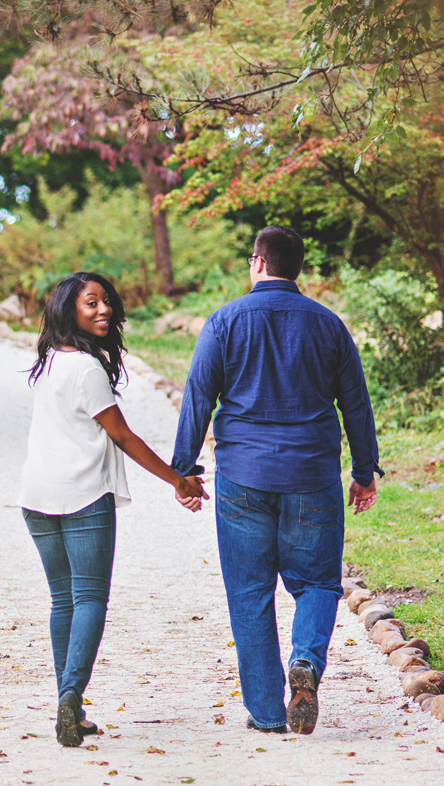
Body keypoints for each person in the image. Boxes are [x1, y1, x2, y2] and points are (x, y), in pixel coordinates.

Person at [170, 227, 381, 736]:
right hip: (312, 476)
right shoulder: (329, 325)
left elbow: (199, 395)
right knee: (317, 584)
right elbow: (355, 401)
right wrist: (363, 471)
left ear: (258, 262)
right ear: (297, 268)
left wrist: (184, 469)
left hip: (243, 478)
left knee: (249, 592)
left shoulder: (224, 322)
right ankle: (305, 661)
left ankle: (266, 713)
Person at [19, 272, 208, 747]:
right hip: (83, 498)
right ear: (69, 310)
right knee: (88, 601)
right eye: (91, 303)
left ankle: (71, 704)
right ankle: (69, 697)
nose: (103, 310)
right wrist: (178, 479)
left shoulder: (47, 362)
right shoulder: (86, 368)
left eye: (106, 302)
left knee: (64, 601)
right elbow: (122, 436)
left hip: (36, 497)